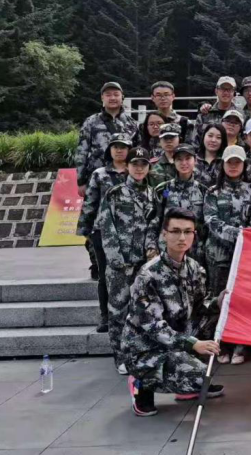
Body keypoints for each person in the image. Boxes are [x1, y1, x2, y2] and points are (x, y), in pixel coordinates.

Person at [123, 208, 225, 417]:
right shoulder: (148, 275)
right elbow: (152, 326)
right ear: (164, 234)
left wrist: (218, 303)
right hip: (146, 347)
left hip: (177, 338)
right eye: (175, 231)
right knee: (197, 376)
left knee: (218, 318)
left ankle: (184, 377)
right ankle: (141, 382)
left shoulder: (195, 269)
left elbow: (200, 307)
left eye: (188, 232)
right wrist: (192, 343)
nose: (182, 238)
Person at [97, 146, 160, 374]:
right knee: (118, 312)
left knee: (142, 309)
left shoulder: (153, 194)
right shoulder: (115, 193)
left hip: (144, 263)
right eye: (135, 164)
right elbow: (106, 227)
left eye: (143, 164)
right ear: (127, 166)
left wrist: (152, 252)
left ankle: (140, 353)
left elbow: (154, 225)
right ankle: (120, 357)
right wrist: (116, 260)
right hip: (120, 264)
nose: (139, 168)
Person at [203, 145, 251, 365]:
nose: (233, 166)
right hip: (219, 254)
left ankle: (240, 345)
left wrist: (248, 233)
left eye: (237, 162)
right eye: (230, 162)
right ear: (223, 165)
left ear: (244, 165)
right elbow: (211, 220)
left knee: (243, 299)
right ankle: (222, 345)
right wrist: (237, 234)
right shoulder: (213, 192)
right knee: (220, 299)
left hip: (245, 254)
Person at [77, 133, 132, 333]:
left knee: (129, 274)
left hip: (130, 232)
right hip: (103, 231)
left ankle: (129, 316)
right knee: (104, 275)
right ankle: (106, 316)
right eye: (115, 147)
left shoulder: (135, 171)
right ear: (109, 150)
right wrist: (86, 231)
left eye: (123, 147)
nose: (119, 150)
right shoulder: (99, 174)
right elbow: (90, 203)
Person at [76, 81, 140, 197]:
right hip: (96, 178)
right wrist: (81, 181)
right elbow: (82, 151)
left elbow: (137, 152)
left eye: (116, 94)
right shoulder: (91, 122)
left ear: (122, 97)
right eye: (108, 95)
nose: (112, 98)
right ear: (102, 98)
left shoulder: (132, 123)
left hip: (125, 177)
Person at [152, 144, 210, 269]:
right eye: (179, 159)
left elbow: (207, 224)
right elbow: (155, 220)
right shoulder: (163, 189)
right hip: (168, 249)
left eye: (188, 158)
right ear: (174, 161)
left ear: (195, 160)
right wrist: (151, 246)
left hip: (196, 251)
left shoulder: (204, 191)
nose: (184, 163)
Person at [194, 76, 240, 151]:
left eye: (229, 89)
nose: (226, 92)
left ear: (234, 92)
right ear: (216, 91)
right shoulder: (205, 114)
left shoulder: (240, 115)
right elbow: (195, 142)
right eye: (222, 89)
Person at [198, 123, 228, 188]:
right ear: (204, 136)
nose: (213, 140)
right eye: (210, 136)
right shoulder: (193, 159)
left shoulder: (226, 161)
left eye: (218, 137)